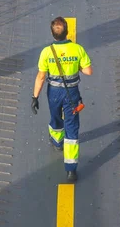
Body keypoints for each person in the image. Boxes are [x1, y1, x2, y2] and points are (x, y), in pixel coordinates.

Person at [31, 17, 93, 182]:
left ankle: (57, 142)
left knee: (55, 118)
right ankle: (71, 170)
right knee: (71, 128)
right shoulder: (77, 49)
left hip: (53, 93)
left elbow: (41, 77)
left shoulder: (46, 52)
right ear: (67, 32)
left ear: (52, 34)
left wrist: (34, 97)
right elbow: (88, 72)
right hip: (71, 92)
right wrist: (77, 65)